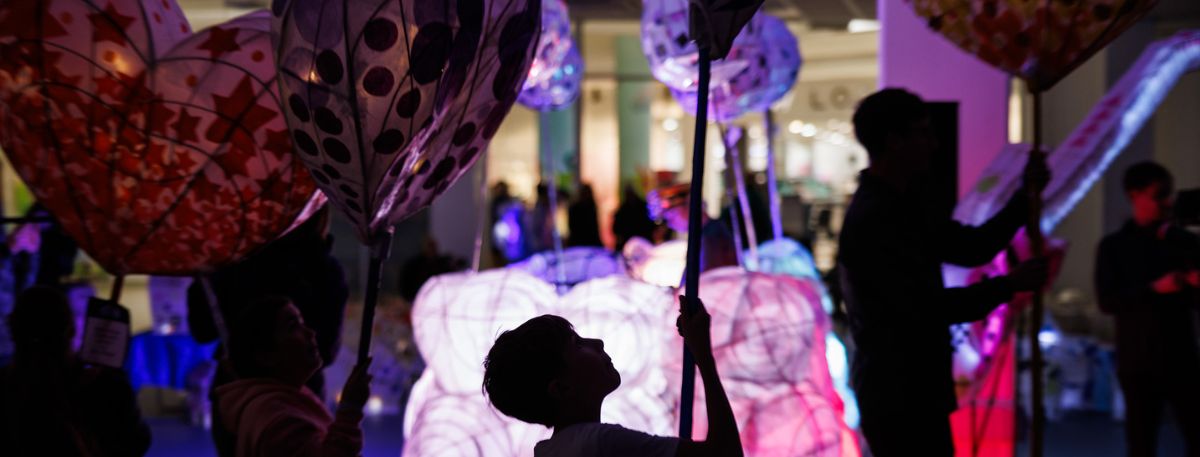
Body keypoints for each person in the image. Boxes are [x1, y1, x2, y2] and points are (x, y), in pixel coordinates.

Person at [837, 88, 1049, 455]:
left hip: (914, 387)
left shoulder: (903, 206)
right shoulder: (877, 217)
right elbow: (923, 308)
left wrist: (1024, 198)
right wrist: (1009, 285)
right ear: (894, 141)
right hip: (898, 392)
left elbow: (970, 247)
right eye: (923, 132)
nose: (933, 145)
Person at [483, 297, 743, 457]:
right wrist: (703, 357)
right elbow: (726, 453)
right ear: (560, 388)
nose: (597, 342)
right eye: (578, 344)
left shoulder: (552, 450)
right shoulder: (600, 444)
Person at [1095, 162, 1200, 456]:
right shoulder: (1114, 247)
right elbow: (1108, 301)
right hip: (1139, 362)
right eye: (1160, 195)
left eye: (1169, 195)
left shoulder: (1184, 243)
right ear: (1134, 195)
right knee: (1141, 443)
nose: (1167, 202)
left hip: (1182, 357)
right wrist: (1155, 289)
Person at [0, 286, 150, 456]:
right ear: (71, 329)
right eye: (77, 313)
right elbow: (135, 443)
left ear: (13, 331)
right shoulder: (103, 387)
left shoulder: (6, 386)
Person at [218, 296, 372, 457]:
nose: (310, 333)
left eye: (302, 323)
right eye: (293, 326)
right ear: (265, 355)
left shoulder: (286, 398)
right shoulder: (279, 421)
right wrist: (349, 409)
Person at [650, 183, 737, 274]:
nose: (671, 224)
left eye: (671, 216)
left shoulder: (712, 237)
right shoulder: (705, 235)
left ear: (689, 204)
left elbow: (707, 278)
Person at [612, 185, 656, 252]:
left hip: (641, 243)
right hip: (638, 243)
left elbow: (616, 229)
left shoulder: (623, 210)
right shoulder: (643, 206)